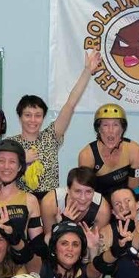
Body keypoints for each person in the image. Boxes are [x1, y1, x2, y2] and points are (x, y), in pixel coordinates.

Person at [12, 50, 101, 199]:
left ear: (43, 118)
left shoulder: (51, 136)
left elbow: (70, 104)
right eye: (27, 115)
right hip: (23, 201)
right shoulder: (11, 144)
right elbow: (3, 177)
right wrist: (20, 160)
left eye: (38, 116)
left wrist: (87, 71)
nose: (32, 120)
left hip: (50, 200)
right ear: (20, 117)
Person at [0, 139, 43, 253]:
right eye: (1, 161)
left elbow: (37, 247)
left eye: (12, 162)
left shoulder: (30, 200)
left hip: (18, 266)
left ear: (20, 167)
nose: (6, 167)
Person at [77, 103, 139, 199]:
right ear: (98, 129)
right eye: (105, 125)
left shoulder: (134, 150)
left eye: (116, 125)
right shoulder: (87, 155)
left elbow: (135, 188)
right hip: (98, 204)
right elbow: (85, 194)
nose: (110, 130)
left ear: (122, 129)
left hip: (124, 202)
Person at [40, 166, 112, 234]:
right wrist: (64, 224)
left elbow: (94, 243)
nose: (83, 198)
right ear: (68, 189)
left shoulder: (102, 210)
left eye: (88, 192)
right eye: (78, 191)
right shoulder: (50, 203)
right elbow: (48, 242)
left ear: (94, 191)